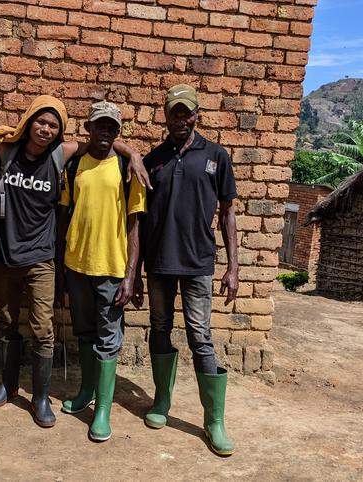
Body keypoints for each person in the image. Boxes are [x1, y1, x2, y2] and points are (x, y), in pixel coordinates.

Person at [0, 96, 147, 429]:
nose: (45, 129)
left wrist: (134, 152)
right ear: (28, 122)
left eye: (53, 125)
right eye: (40, 122)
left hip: (51, 259)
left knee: (44, 328)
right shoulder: (13, 153)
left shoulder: (64, 156)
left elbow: (133, 220)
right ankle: (9, 385)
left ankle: (44, 398)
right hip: (13, 256)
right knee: (6, 320)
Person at [136, 84, 238, 456]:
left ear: (197, 115)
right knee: (160, 328)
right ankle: (161, 401)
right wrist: (135, 272)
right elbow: (140, 220)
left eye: (187, 112)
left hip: (198, 264)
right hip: (160, 263)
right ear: (165, 115)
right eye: (174, 112)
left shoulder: (215, 156)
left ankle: (214, 421)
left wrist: (233, 267)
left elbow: (227, 212)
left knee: (200, 336)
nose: (181, 118)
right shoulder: (153, 160)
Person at [58, 101, 146, 442]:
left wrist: (130, 275)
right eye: (100, 126)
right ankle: (85, 393)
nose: (105, 132)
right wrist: (60, 262)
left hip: (111, 268)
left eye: (112, 127)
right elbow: (63, 215)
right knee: (84, 332)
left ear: (117, 132)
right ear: (88, 128)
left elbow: (135, 224)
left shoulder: (127, 167)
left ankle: (103, 411)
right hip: (77, 265)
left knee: (108, 339)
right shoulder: (75, 165)